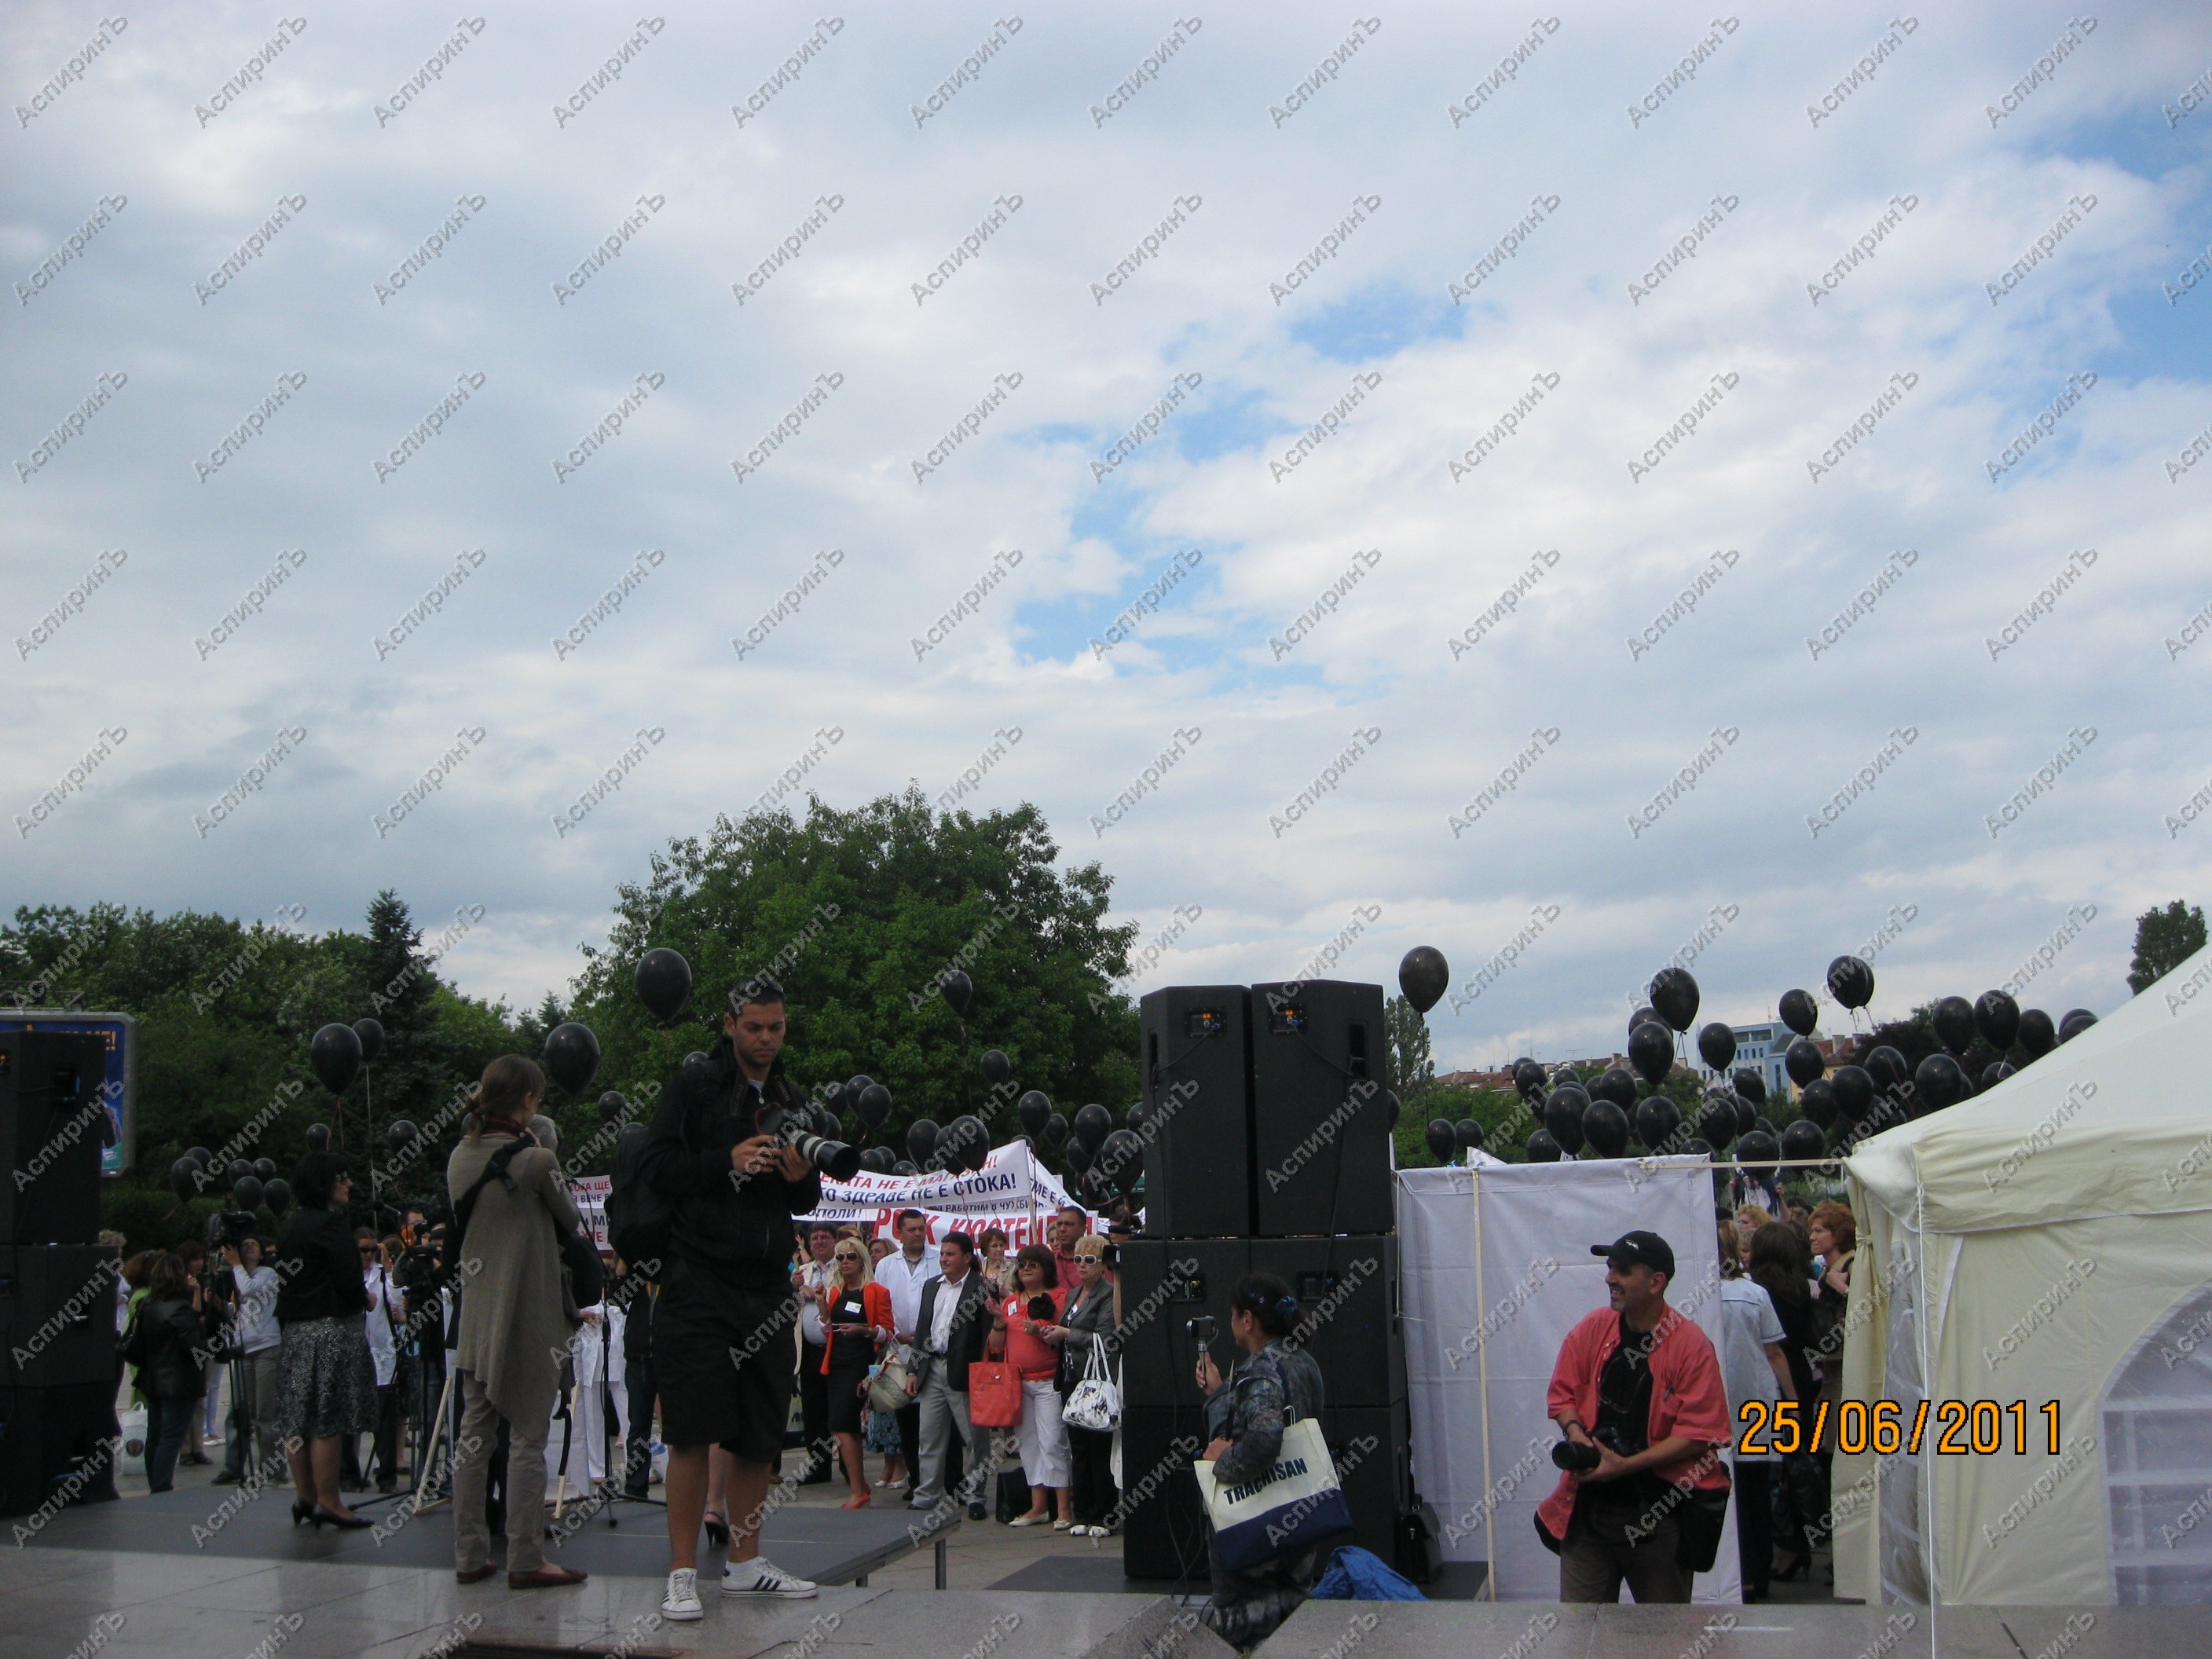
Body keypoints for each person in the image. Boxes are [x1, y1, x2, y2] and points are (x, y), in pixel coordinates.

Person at [639, 976, 823, 1621]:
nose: (766, 1038)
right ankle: (681, 1572)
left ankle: (745, 1564)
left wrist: (800, 1179)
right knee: (691, 1431)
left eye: (776, 1027)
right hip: (697, 1279)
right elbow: (655, 1166)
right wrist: (725, 1159)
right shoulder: (695, 1085)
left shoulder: (790, 1097)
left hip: (767, 1284)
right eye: (754, 1027)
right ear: (729, 1025)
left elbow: (805, 1201)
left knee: (758, 1434)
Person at [445, 1055, 591, 1591]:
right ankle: (526, 1556)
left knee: (474, 1434)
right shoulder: (537, 1160)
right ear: (528, 1101)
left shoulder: (459, 1156)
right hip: (529, 1313)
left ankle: (469, 1554)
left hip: (477, 1316)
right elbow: (570, 1220)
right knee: (529, 1434)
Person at [1537, 1230, 1733, 1604]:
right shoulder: (1593, 1328)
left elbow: (1700, 1433)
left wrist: (1625, 1465)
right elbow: (1562, 1394)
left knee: (1664, 1631)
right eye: (1610, 1267)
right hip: (1588, 1510)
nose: (1610, 1278)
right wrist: (1575, 1433)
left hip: (1659, 1515)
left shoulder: (1690, 1345)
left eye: (1623, 1271)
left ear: (1656, 1282)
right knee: (1580, 1628)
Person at [1193, 1273, 1327, 1646]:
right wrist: (1221, 1394)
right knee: (1294, 1626)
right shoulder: (1304, 1361)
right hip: (1300, 1515)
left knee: (1246, 1630)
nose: (1232, 1322)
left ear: (1248, 1320)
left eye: (1233, 1315)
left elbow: (1263, 1441)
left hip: (1254, 1525)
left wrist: (1221, 1460)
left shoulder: (1260, 1369)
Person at [272, 1152, 378, 1529]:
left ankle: (305, 1496)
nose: (347, 1184)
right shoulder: (332, 1226)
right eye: (341, 1177)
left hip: (296, 1330)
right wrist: (366, 1299)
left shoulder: (289, 1226)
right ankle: (330, 1501)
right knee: (327, 1418)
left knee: (297, 1417)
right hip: (332, 1329)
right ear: (324, 1183)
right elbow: (348, 1281)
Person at [1716, 1221, 1793, 1602]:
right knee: (1757, 1491)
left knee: (1725, 1492)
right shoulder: (1754, 1293)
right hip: (1756, 1403)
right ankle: (1758, 1572)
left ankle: (1734, 1571)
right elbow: (1773, 1352)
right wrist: (1791, 1402)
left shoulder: (1699, 1295)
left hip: (1717, 1403)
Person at [1749, 1221, 1825, 1584]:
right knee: (1795, 1465)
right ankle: (1794, 1545)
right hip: (1801, 1377)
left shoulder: (1757, 1291)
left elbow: (1770, 1347)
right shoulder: (1801, 1287)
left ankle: (1778, 1547)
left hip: (1771, 1379)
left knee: (1764, 1468)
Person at [906, 1230, 994, 1518]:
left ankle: (975, 1495)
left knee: (975, 1439)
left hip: (965, 1372)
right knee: (929, 1437)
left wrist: (982, 1375)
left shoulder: (982, 1288)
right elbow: (922, 1329)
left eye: (950, 1254)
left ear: (967, 1258)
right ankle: (927, 1495)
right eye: (942, 1253)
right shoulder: (931, 1286)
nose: (944, 1258)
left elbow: (986, 1335)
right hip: (932, 1367)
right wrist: (913, 1369)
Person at [994, 1244, 1071, 1528]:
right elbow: (996, 1345)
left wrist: (1039, 1332)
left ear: (1046, 1269)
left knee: (1053, 1443)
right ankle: (1038, 1507)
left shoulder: (1061, 1297)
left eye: (1033, 1265)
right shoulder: (1011, 1302)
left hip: (1049, 1381)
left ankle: (1064, 1509)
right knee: (1029, 1445)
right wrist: (999, 1322)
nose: (1026, 1269)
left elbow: (1064, 1339)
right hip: (1018, 1383)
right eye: (1022, 1264)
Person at [129, 1252, 219, 1493]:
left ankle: (156, 1484)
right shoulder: (181, 1309)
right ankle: (161, 1486)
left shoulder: (147, 1305)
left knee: (156, 1435)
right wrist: (212, 1345)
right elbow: (193, 1348)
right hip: (179, 1381)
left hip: (153, 1378)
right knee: (171, 1437)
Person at [819, 1238, 892, 1507]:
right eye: (840, 1258)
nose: (845, 1262)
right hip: (836, 1363)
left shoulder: (875, 1291)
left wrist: (864, 1330)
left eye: (851, 1256)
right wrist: (822, 1305)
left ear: (862, 1260)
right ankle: (859, 1486)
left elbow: (887, 1332)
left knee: (839, 1425)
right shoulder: (836, 1291)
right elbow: (828, 1331)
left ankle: (857, 1490)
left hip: (860, 1364)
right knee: (845, 1426)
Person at [1053, 1233, 1119, 1536]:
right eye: (1078, 1259)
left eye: (1089, 1260)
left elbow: (1106, 1339)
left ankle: (1105, 1516)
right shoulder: (1073, 1294)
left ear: (1103, 1264)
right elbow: (1065, 1329)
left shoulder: (1108, 1294)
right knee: (1078, 1448)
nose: (1081, 1265)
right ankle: (1083, 1514)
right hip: (1071, 1378)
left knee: (1099, 1449)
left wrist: (1066, 1334)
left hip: (1095, 1380)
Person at [211, 1236, 282, 1487]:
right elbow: (242, 1308)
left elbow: (251, 1290)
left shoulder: (268, 1274)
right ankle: (239, 1466)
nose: (250, 1246)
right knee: (247, 1412)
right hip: (244, 1349)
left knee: (266, 1413)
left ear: (262, 1254)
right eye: (245, 1244)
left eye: (254, 1244)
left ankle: (271, 1469)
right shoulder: (237, 1275)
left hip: (267, 1347)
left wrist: (235, 1265)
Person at [876, 1208, 936, 1501]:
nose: (918, 1234)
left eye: (921, 1228)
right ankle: (916, 1480)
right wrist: (895, 1333)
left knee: (936, 1421)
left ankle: (944, 1481)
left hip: (932, 1349)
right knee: (908, 1421)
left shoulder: (938, 1259)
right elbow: (881, 1306)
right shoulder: (886, 1265)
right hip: (899, 1350)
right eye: (911, 1229)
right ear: (899, 1233)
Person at [793, 1222, 840, 1485]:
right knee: (813, 1410)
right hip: (810, 1351)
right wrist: (794, 1290)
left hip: (836, 1348)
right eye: (815, 1238)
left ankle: (849, 1467)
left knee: (840, 1410)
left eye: (825, 1237)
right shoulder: (803, 1271)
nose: (819, 1242)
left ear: (835, 1240)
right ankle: (819, 1467)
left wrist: (820, 1295)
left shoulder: (844, 1265)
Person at [359, 1229, 404, 1493]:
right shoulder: (347, 1276)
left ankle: (387, 1476)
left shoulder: (383, 1276)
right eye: (362, 1250)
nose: (367, 1255)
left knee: (385, 1421)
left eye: (371, 1250)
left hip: (382, 1355)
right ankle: (348, 1473)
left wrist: (388, 1269)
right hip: (354, 1355)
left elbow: (398, 1303)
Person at [177, 1239, 217, 1465]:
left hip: (205, 1342)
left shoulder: (205, 1280)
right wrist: (196, 1292)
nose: (199, 1263)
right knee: (186, 1398)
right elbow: (194, 1316)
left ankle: (197, 1446)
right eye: (195, 1259)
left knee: (201, 1397)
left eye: (202, 1258)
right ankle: (184, 1449)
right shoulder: (180, 1285)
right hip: (187, 1346)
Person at [1049, 1205, 1087, 1289]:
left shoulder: (1093, 1260)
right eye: (1059, 1224)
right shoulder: (1048, 1260)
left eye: (1069, 1224)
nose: (1062, 1229)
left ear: (1083, 1229)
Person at [977, 1227, 1013, 1298]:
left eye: (1001, 1245)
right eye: (994, 1246)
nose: (999, 1249)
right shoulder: (979, 1269)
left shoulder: (1013, 1268)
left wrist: (1007, 1294)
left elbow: (1023, 1297)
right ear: (985, 1249)